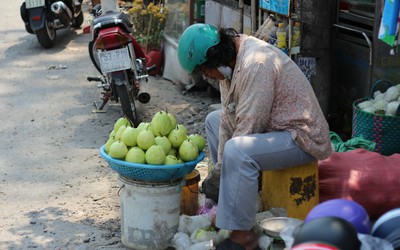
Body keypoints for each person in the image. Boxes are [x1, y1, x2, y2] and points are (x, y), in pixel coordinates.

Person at [177, 23, 333, 250]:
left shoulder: (255, 64)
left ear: (214, 57)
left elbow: (248, 129)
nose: (207, 76)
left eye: (205, 70)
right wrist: (219, 175)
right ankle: (233, 201)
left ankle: (242, 236)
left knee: (237, 149)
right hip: (274, 128)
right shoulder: (228, 67)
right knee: (213, 121)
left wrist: (217, 176)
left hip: (300, 136)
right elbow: (227, 122)